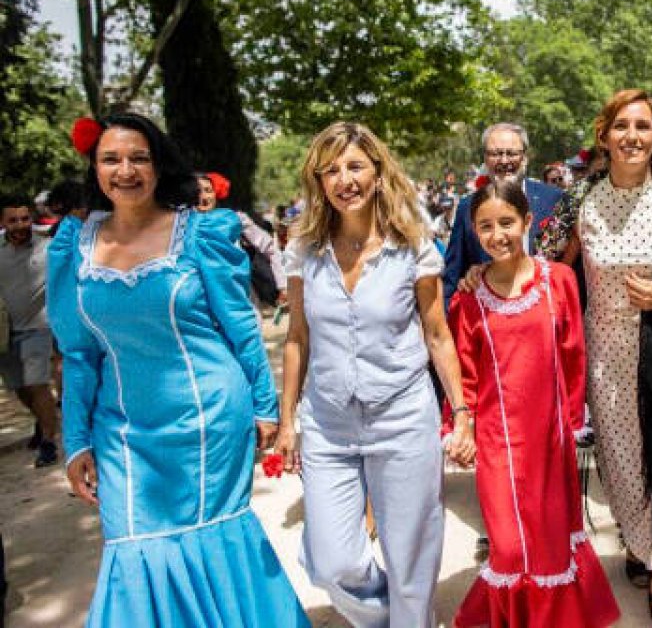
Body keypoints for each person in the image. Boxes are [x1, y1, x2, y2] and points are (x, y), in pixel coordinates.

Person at [46, 112, 308, 626]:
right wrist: (76, 440)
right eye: (111, 159)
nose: (126, 170)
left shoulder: (199, 234)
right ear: (94, 169)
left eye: (139, 158)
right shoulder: (72, 244)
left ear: (159, 165)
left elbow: (241, 327)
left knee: (213, 541)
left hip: (207, 421)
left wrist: (265, 405)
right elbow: (79, 355)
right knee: (132, 545)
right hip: (122, 433)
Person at [274, 121, 473, 627]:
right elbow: (297, 337)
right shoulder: (304, 251)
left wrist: (463, 414)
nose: (345, 179)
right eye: (332, 170)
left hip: (403, 418)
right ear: (319, 182)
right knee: (332, 559)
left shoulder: (412, 247)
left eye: (356, 166)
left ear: (379, 173)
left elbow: (437, 334)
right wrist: (287, 420)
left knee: (411, 557)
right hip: (328, 422)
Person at [540, 89, 652, 627]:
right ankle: (637, 546)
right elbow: (546, 269)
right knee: (623, 468)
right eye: (622, 126)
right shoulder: (579, 199)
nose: (632, 136)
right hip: (604, 355)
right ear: (604, 135)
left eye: (643, 126)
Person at [449, 180, 620, 628]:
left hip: (549, 438)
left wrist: (570, 421)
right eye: (485, 226)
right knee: (506, 543)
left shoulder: (558, 280)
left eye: (506, 222)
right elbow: (465, 373)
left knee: (546, 540)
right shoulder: (469, 297)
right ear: (474, 232)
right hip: (496, 440)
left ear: (527, 222)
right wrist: (461, 428)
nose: (497, 234)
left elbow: (573, 353)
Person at [442, 123, 564, 308]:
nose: (504, 160)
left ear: (525, 157)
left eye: (512, 153)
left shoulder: (553, 200)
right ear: (485, 158)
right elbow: (452, 277)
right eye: (496, 154)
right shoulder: (467, 207)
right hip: (488, 320)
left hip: (546, 315)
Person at [0, 194, 60, 468]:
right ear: (3, 223)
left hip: (40, 327)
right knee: (20, 390)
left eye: (25, 218)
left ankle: (49, 441)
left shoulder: (48, 245)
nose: (20, 225)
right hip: (5, 333)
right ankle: (41, 419)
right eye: (13, 220)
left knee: (37, 385)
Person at [195, 171, 288, 307]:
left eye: (208, 190)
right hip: (201, 302)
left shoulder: (236, 219)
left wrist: (282, 284)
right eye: (197, 191)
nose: (203, 197)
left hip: (241, 298)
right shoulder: (180, 225)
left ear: (217, 193)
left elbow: (270, 247)